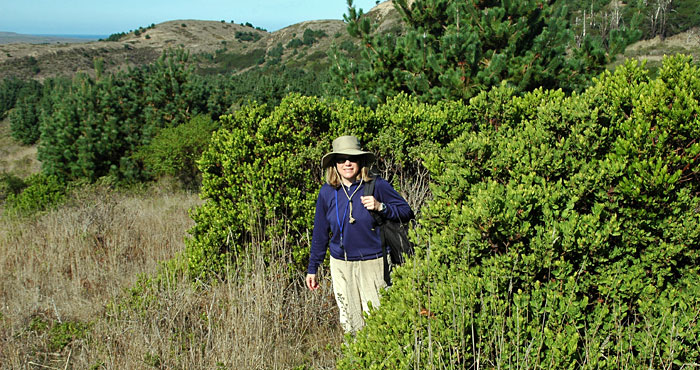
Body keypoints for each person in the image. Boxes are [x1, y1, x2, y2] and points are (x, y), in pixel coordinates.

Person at [305, 135, 414, 333]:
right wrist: (313, 267)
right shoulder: (327, 192)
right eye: (341, 159)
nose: (347, 163)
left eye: (352, 158)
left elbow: (406, 212)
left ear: (360, 161)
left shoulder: (376, 185)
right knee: (350, 323)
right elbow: (320, 232)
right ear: (334, 164)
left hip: (373, 263)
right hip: (341, 265)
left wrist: (382, 207)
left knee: (379, 322)